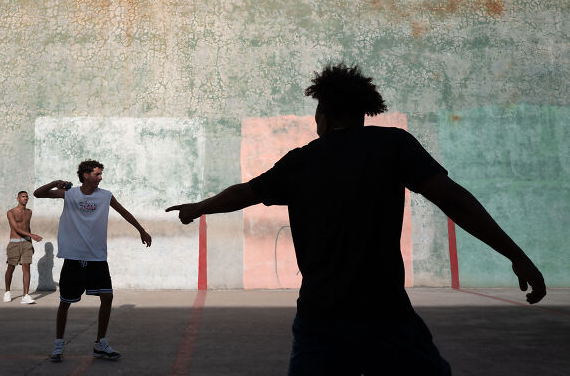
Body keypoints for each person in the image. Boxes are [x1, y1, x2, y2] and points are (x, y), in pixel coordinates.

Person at [166, 63, 546, 375]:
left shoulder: (302, 161)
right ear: (364, 110)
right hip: (385, 313)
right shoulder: (393, 145)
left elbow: (243, 193)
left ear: (323, 115)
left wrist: (199, 207)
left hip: (320, 315)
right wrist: (515, 254)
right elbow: (454, 199)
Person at [34, 159, 153, 363]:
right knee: (65, 303)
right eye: (97, 174)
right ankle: (59, 344)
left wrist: (141, 230)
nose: (100, 177)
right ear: (85, 175)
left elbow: (123, 211)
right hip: (74, 258)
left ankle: (100, 343)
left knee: (107, 297)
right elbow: (38, 193)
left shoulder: (105, 195)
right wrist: (56, 182)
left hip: (97, 258)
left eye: (101, 174)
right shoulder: (69, 193)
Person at [4, 190, 42, 304]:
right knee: (11, 267)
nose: (25, 198)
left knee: (26, 268)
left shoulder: (29, 212)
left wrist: (31, 243)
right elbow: (16, 228)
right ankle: (7, 291)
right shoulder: (11, 212)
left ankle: (25, 295)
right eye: (23, 197)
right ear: (18, 199)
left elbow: (27, 228)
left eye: (26, 197)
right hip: (14, 243)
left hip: (27, 243)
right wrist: (33, 236)